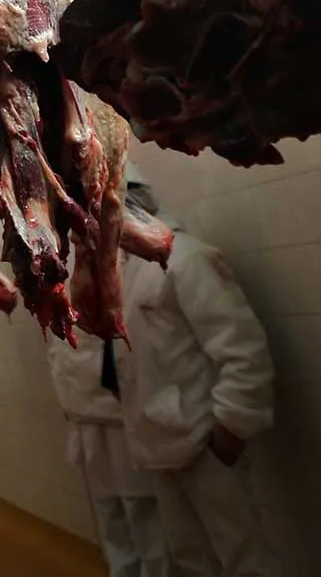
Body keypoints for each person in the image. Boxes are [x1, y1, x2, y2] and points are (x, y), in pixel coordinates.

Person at [119, 175, 279, 577]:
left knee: (244, 559)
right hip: (158, 441)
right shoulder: (125, 271)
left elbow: (243, 349)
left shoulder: (187, 258)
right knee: (189, 558)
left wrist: (231, 427)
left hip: (204, 439)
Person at [46, 327, 166, 577]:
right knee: (108, 510)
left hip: (121, 415)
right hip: (81, 412)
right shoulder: (52, 289)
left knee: (142, 510)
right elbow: (56, 345)